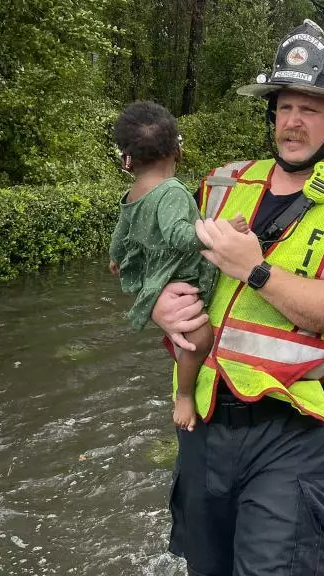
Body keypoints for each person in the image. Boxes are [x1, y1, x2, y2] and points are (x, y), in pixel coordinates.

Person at [149, 19, 324, 576]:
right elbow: (167, 269)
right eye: (285, 106)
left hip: (295, 431)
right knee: (205, 566)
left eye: (310, 109)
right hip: (206, 422)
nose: (292, 121)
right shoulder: (219, 184)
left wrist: (256, 271)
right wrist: (160, 306)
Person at [109, 101, 249, 432]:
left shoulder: (134, 192)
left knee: (189, 335)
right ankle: (184, 394)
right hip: (175, 273)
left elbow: (121, 231)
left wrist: (115, 257)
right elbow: (178, 236)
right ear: (176, 151)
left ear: (128, 161)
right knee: (200, 340)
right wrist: (221, 230)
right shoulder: (170, 189)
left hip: (152, 273)